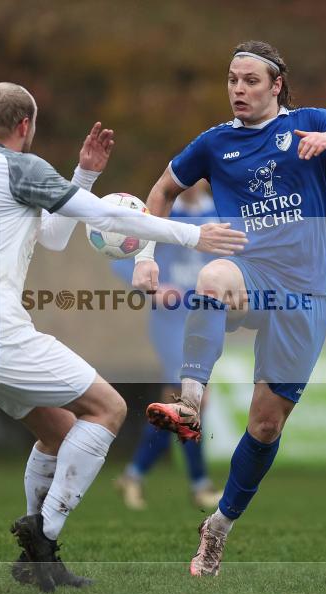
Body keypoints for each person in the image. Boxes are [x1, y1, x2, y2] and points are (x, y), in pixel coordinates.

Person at [0, 82, 247, 592]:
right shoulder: (21, 169)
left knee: (58, 434)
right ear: (25, 126)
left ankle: (40, 558)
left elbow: (54, 238)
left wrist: (85, 174)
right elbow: (103, 216)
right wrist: (194, 235)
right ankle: (45, 534)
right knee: (108, 408)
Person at [132, 41, 326, 576]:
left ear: (276, 86)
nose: (238, 90)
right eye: (232, 80)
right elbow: (161, 191)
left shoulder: (311, 123)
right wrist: (148, 255)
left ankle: (219, 527)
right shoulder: (214, 143)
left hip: (306, 292)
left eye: (250, 81)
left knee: (266, 425)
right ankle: (190, 403)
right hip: (250, 276)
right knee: (212, 275)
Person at [112, 181, 223, 510]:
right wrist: (153, 289)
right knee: (189, 402)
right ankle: (200, 486)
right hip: (171, 324)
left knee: (178, 408)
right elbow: (120, 258)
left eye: (198, 175)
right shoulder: (163, 212)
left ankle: (133, 476)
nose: (190, 182)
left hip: (205, 321)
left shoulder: (220, 212)